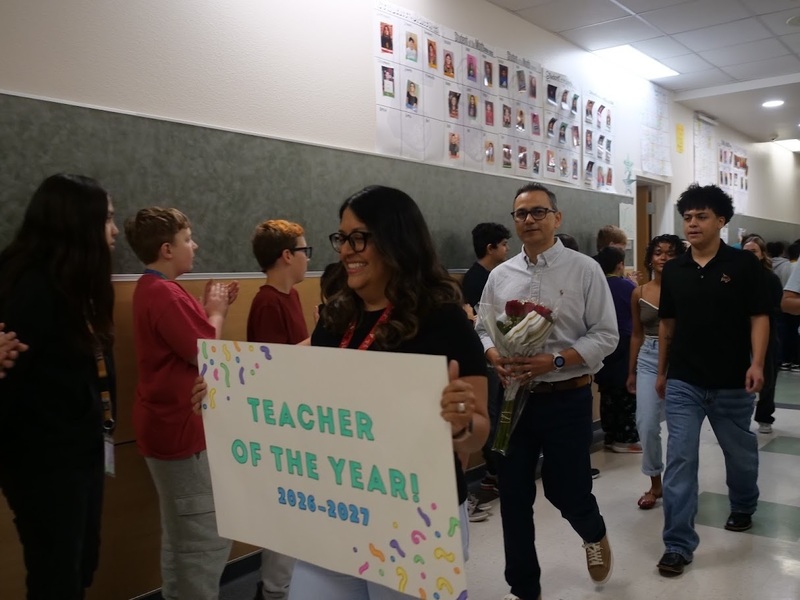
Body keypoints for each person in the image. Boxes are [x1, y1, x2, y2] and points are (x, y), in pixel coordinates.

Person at [286, 185, 489, 599]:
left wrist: (462, 421)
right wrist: (224, 392)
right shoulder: (335, 317)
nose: (346, 250)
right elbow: (301, 391)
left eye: (359, 237)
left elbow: (478, 431)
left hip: (413, 518)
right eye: (341, 238)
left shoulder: (441, 319)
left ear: (396, 239)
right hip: (335, 506)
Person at [476, 182, 618, 600]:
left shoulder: (584, 269)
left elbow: (606, 335)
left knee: (566, 489)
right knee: (514, 496)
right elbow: (483, 325)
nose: (529, 220)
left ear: (557, 218)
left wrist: (555, 360)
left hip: (567, 398)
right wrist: (492, 354)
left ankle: (592, 531)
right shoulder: (500, 275)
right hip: (514, 400)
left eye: (538, 212)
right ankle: (524, 588)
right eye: (521, 214)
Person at [0, 173, 118, 599]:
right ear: (77, 222)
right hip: (43, 463)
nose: (114, 229)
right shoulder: (28, 288)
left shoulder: (76, 283)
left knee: (81, 565)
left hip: (83, 451)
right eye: (106, 218)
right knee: (56, 576)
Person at [655, 184, 769, 577]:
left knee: (739, 454)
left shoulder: (742, 265)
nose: (692, 223)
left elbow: (759, 316)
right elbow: (667, 323)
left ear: (722, 221)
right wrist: (662, 371)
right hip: (685, 380)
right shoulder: (674, 269)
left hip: (732, 380)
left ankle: (743, 504)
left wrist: (757, 364)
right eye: (687, 217)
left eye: (701, 216)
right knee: (681, 458)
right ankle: (677, 544)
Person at [125, 207, 238, 599]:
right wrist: (217, 312)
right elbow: (205, 351)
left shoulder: (157, 289)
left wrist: (211, 312)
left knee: (184, 536)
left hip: (170, 427)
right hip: (179, 432)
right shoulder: (163, 293)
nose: (195, 245)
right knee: (202, 541)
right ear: (166, 249)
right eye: (187, 239)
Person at [248, 219, 311, 599]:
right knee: (284, 520)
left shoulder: (291, 297)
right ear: (287, 256)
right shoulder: (267, 302)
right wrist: (318, 340)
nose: (308, 259)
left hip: (298, 418)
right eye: (305, 251)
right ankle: (274, 591)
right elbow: (270, 365)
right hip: (279, 426)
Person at [626, 234, 685, 510]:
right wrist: (632, 372)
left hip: (681, 359)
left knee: (680, 428)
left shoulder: (689, 288)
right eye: (658, 252)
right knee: (647, 423)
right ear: (650, 257)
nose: (663, 257)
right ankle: (655, 483)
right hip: (648, 357)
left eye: (670, 253)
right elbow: (636, 334)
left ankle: (678, 483)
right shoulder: (639, 292)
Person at [462, 223, 511, 515]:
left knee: (499, 413)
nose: (507, 249)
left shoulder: (495, 275)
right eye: (504, 244)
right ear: (490, 247)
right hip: (485, 356)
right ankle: (495, 472)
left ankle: (499, 470)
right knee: (490, 415)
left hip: (499, 355)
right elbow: (480, 321)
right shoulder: (476, 279)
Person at [593, 246, 640, 453]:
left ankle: (609, 436)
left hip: (601, 345)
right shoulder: (627, 287)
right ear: (620, 264)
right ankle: (626, 438)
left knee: (607, 392)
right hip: (624, 343)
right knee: (626, 392)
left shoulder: (596, 285)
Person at [743, 236, 783, 434]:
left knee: (767, 373)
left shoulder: (770, 279)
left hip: (766, 332)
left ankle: (765, 415)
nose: (749, 255)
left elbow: (777, 307)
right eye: (746, 251)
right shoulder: (734, 277)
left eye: (753, 251)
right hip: (739, 332)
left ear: (761, 255)